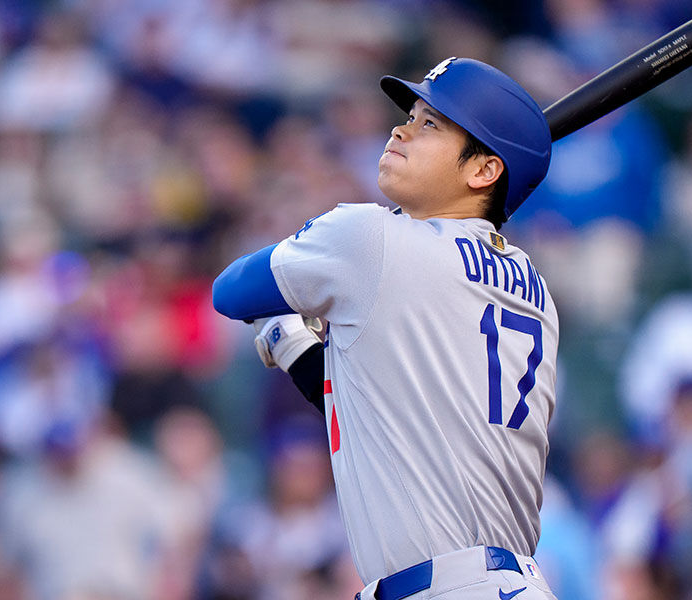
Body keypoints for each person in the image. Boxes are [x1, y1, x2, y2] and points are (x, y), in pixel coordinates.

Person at [213, 57, 559, 600]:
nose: (401, 130)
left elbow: (230, 290)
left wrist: (331, 264)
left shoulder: (370, 238)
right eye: (410, 116)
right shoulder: (533, 287)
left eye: (431, 124)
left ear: (483, 171)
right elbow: (384, 412)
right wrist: (296, 345)